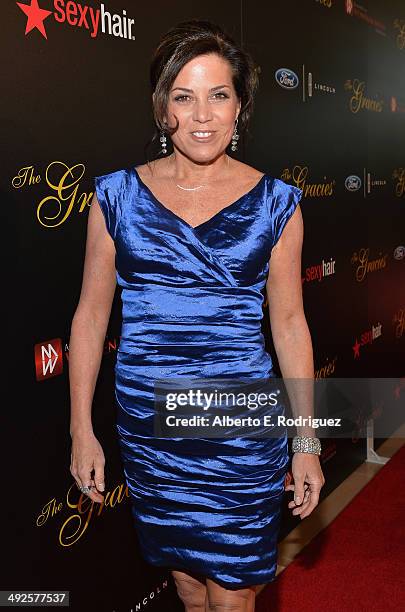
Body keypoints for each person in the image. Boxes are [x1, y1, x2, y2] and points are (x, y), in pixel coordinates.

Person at [69, 19, 325, 612]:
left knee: (234, 594)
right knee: (185, 584)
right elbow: (89, 316)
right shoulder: (115, 197)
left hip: (241, 428)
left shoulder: (278, 204)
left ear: (241, 107)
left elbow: (289, 325)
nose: (202, 115)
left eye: (219, 95)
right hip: (152, 426)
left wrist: (307, 440)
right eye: (184, 97)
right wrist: (82, 428)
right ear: (163, 109)